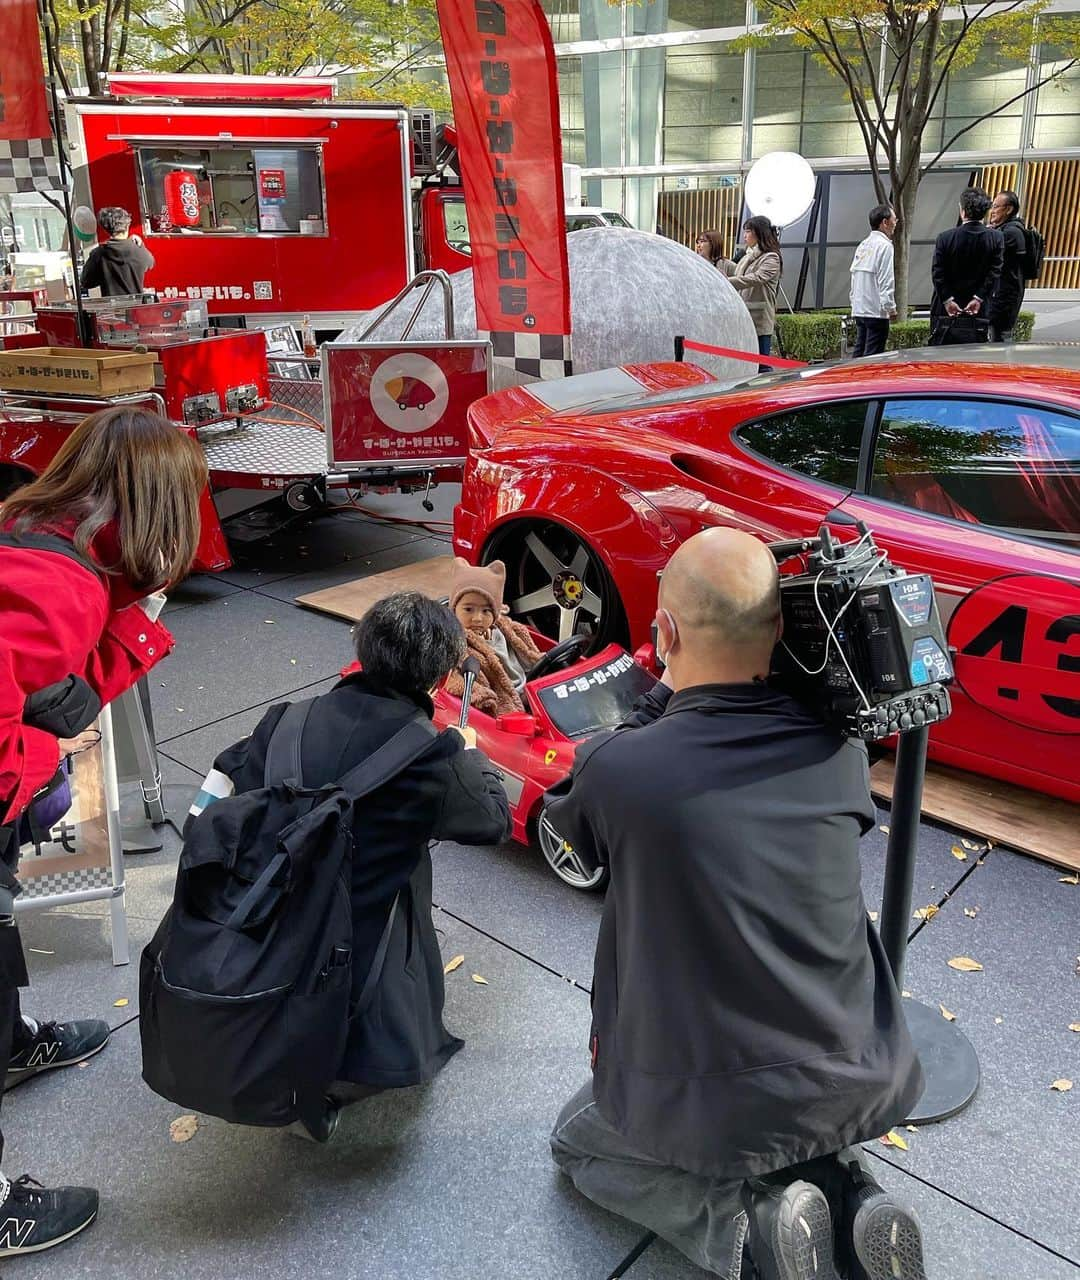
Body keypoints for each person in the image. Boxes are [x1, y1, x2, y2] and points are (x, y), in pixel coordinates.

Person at [545, 527, 927, 1280]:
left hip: (714, 1093)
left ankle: (744, 1233)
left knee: (576, 1142)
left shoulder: (621, 768)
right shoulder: (838, 748)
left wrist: (653, 698)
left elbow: (570, 838)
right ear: (780, 629)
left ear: (666, 632)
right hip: (859, 1069)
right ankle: (854, 1198)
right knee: (797, 1111)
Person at [0, 407, 208, 1257]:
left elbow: (67, 676)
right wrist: (47, 750)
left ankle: (11, 1047)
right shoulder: (56, 584)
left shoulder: (37, 533)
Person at [193, 592, 509, 1122]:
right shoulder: (433, 756)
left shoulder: (285, 721)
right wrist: (469, 751)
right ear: (436, 681)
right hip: (364, 938)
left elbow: (214, 799)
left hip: (268, 912)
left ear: (362, 650)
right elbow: (490, 820)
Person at [445, 558, 541, 717]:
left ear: (496, 612)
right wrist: (480, 694)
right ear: (454, 609)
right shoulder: (455, 644)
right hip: (502, 701)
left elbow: (529, 655)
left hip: (528, 688)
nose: (477, 618)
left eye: (486, 611)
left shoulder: (506, 630)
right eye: (468, 609)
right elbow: (453, 680)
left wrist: (538, 660)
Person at [929, 187, 1003, 346]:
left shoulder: (945, 238)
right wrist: (978, 298)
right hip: (979, 310)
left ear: (962, 210)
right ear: (985, 211)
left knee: (941, 358)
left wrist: (948, 300)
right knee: (974, 358)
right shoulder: (996, 238)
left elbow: (937, 273)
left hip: (945, 311)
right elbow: (994, 273)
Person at [721, 217, 782, 370]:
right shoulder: (748, 255)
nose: (745, 236)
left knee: (762, 365)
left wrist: (728, 281)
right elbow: (738, 273)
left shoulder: (771, 257)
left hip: (759, 317)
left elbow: (756, 278)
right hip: (745, 315)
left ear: (759, 234)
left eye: (748, 231)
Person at [849, 204, 897, 356]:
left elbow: (854, 275)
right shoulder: (885, 246)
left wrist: (854, 302)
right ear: (885, 222)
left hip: (860, 308)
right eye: (895, 219)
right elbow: (886, 279)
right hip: (876, 311)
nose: (896, 223)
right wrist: (890, 307)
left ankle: (852, 379)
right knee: (873, 358)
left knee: (859, 352)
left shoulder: (863, 245)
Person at [79, 207, 154, 297]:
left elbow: (85, 282)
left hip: (113, 309)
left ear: (106, 228)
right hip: (135, 308)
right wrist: (141, 244)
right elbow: (150, 263)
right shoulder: (138, 249)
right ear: (127, 225)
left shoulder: (98, 254)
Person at [987, 190, 1028, 343]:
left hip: (1004, 298)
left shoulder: (1011, 233)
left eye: (996, 206)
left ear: (1009, 209)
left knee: (1000, 340)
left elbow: (990, 257)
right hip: (1004, 296)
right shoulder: (1007, 230)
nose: (992, 211)